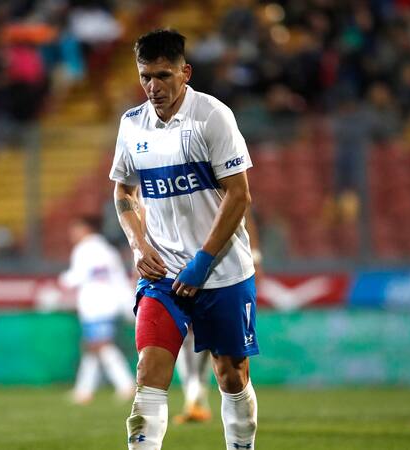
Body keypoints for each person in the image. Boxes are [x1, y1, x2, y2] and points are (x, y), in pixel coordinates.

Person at [110, 29, 259, 449]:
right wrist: (139, 245)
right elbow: (123, 191)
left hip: (222, 271)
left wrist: (202, 263)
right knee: (148, 372)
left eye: (163, 76)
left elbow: (239, 194)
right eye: (145, 77)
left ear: (185, 72)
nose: (153, 87)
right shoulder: (131, 125)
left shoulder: (212, 116)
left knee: (231, 374)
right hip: (163, 275)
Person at [173, 209, 263, 425]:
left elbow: (243, 210)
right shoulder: (159, 187)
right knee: (189, 338)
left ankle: (196, 396)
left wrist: (256, 258)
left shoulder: (225, 184)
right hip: (182, 263)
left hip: (223, 268)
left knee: (217, 348)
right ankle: (194, 396)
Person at [59, 216, 136, 404]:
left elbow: (77, 276)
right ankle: (84, 390)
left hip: (96, 304)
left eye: (75, 230)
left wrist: (63, 279)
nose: (72, 235)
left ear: (86, 230)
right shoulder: (108, 250)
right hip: (109, 302)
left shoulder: (84, 250)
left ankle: (126, 385)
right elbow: (117, 277)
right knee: (93, 347)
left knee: (101, 345)